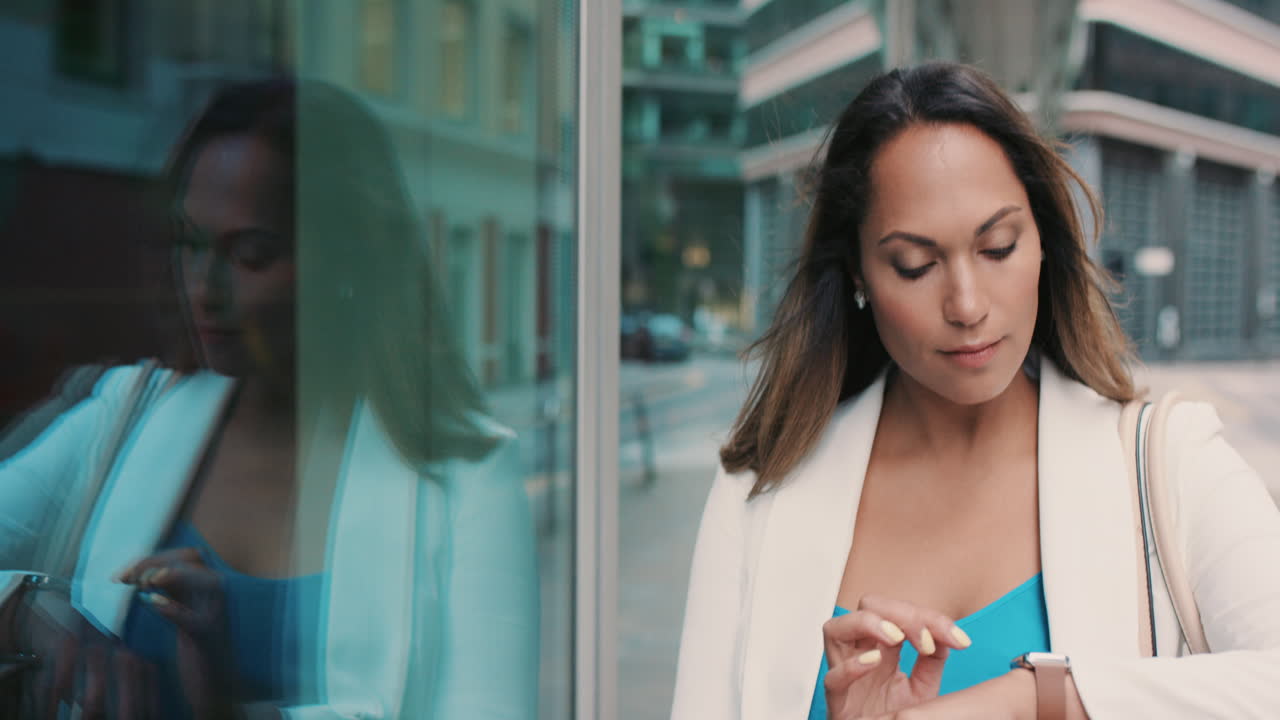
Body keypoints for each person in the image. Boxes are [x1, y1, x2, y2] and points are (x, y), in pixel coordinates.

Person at [670, 62, 1280, 719]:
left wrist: (1043, 700)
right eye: (916, 265)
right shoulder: (760, 492)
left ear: (1043, 239)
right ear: (857, 273)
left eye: (997, 248)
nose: (966, 304)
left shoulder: (1171, 460)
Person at [0, 79, 538, 719]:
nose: (203, 289)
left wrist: (228, 705)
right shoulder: (129, 413)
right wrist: (30, 611)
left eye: (250, 254)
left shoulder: (469, 480)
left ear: (346, 262)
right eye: (191, 246)